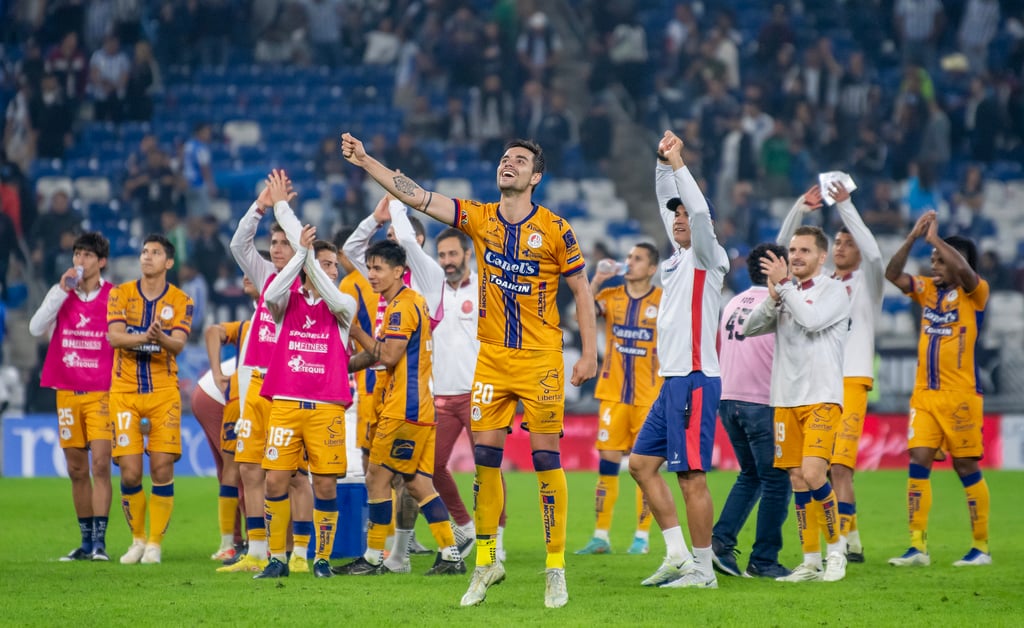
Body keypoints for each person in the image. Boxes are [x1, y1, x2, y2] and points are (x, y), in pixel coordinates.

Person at [340, 132, 598, 609]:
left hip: (541, 357)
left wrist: (589, 353)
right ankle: (485, 563)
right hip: (492, 359)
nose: (509, 164)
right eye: (504, 158)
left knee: (545, 461)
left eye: (519, 161)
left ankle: (555, 568)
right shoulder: (479, 218)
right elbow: (413, 193)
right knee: (484, 463)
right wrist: (365, 160)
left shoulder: (557, 229)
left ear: (535, 177)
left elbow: (581, 290)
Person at [627, 130, 729, 590]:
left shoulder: (708, 255)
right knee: (641, 465)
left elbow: (701, 210)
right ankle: (677, 557)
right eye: (676, 216)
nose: (680, 219)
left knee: (690, 477)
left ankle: (704, 572)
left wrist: (682, 164)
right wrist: (663, 161)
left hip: (694, 378)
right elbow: (667, 193)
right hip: (673, 381)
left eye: (686, 215)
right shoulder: (675, 259)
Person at [334, 240, 466, 577]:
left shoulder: (402, 307)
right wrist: (342, 366)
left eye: (378, 268)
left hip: (402, 410)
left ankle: (373, 558)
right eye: (369, 268)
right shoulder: (405, 303)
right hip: (419, 409)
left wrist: (356, 329)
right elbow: (381, 353)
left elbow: (388, 355)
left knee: (376, 478)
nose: (372, 275)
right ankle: (451, 555)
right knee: (419, 483)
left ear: (398, 271)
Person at [252, 175, 358, 579]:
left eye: (332, 265)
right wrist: (302, 254)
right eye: (324, 264)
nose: (329, 271)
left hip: (326, 409)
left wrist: (284, 213)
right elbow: (272, 293)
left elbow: (331, 293)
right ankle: (277, 558)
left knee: (326, 485)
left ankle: (322, 558)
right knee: (275, 479)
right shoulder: (286, 300)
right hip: (285, 405)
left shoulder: (342, 305)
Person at [777, 180, 883, 563]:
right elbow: (779, 257)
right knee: (807, 472)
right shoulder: (818, 285)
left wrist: (846, 206)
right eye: (837, 242)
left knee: (836, 465)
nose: (841, 246)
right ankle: (836, 544)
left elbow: (872, 253)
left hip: (851, 377)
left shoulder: (867, 283)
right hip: (810, 382)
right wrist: (799, 209)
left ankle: (845, 544)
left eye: (847, 241)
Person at [743, 224, 851, 583]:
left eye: (804, 251)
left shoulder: (834, 291)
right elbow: (749, 327)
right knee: (796, 479)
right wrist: (773, 297)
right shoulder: (785, 293)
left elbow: (811, 321)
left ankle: (837, 551)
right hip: (785, 399)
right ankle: (809, 560)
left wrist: (784, 289)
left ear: (822, 256)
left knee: (814, 473)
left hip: (821, 396)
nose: (796, 257)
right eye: (793, 250)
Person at [885, 211, 992, 568]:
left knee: (965, 466)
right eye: (932, 261)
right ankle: (917, 547)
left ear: (957, 263)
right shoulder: (927, 290)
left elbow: (964, 273)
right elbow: (892, 274)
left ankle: (981, 547)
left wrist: (937, 241)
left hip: (961, 397)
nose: (934, 267)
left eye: (939, 261)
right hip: (925, 397)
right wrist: (915, 237)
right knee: (918, 461)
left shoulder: (975, 294)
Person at [221, 178, 313, 575]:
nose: (275, 249)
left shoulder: (310, 285)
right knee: (249, 469)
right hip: (255, 384)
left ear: (297, 248)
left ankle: (299, 553)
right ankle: (257, 550)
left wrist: (286, 218)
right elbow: (238, 245)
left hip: (288, 388)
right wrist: (260, 207)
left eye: (283, 243)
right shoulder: (266, 277)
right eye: (273, 244)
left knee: (291, 475)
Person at [106, 234, 194, 565]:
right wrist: (147, 336)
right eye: (144, 252)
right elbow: (114, 337)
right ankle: (137, 540)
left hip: (163, 393)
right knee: (130, 472)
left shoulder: (182, 300)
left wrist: (162, 339)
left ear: (168, 262)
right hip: (125, 393)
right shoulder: (120, 294)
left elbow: (179, 345)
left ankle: (155, 543)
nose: (147, 257)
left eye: (155, 253)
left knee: (160, 467)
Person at [28, 232, 114, 561]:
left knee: (102, 465)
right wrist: (60, 291)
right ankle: (86, 541)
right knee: (77, 470)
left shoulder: (115, 296)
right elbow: (36, 328)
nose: (80, 261)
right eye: (77, 254)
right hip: (67, 393)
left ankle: (101, 543)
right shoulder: (61, 293)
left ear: (101, 262)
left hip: (101, 394)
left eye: (88, 255)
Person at [710, 243, 792, 579]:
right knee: (776, 481)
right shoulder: (780, 303)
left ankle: (720, 542)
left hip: (728, 400)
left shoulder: (733, 302)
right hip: (761, 402)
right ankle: (764, 560)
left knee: (751, 475)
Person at [576, 242, 662, 557]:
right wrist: (596, 280)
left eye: (637, 258)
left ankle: (642, 538)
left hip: (649, 399)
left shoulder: (662, 302)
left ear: (652, 269)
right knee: (608, 465)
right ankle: (601, 537)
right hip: (614, 395)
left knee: (646, 470)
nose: (629, 262)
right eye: (629, 257)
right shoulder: (611, 298)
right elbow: (580, 315)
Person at [199, 278, 259, 562]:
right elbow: (212, 331)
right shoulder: (248, 326)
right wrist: (216, 372)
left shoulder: (268, 322)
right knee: (235, 471)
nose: (247, 277)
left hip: (263, 403)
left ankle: (248, 541)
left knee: (257, 473)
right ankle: (232, 542)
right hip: (240, 403)